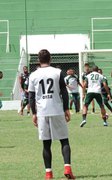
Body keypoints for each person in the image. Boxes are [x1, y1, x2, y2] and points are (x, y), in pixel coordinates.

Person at [28, 49, 75, 180]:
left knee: (46, 144)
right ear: (50, 59)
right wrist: (66, 109)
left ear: (38, 60)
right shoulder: (58, 72)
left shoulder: (33, 75)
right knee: (64, 140)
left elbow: (31, 96)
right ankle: (67, 168)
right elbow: (64, 92)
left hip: (42, 112)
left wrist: (34, 113)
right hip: (57, 110)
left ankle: (48, 173)